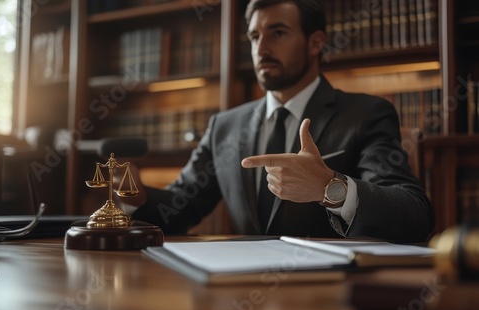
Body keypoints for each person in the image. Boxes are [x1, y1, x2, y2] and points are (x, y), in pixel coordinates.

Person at [129, 0, 434, 243]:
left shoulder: (367, 114)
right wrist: (135, 194)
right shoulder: (225, 126)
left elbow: (415, 216)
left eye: (278, 33)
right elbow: (180, 208)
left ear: (316, 43)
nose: (261, 49)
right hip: (237, 291)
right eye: (254, 36)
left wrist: (329, 186)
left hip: (330, 297)